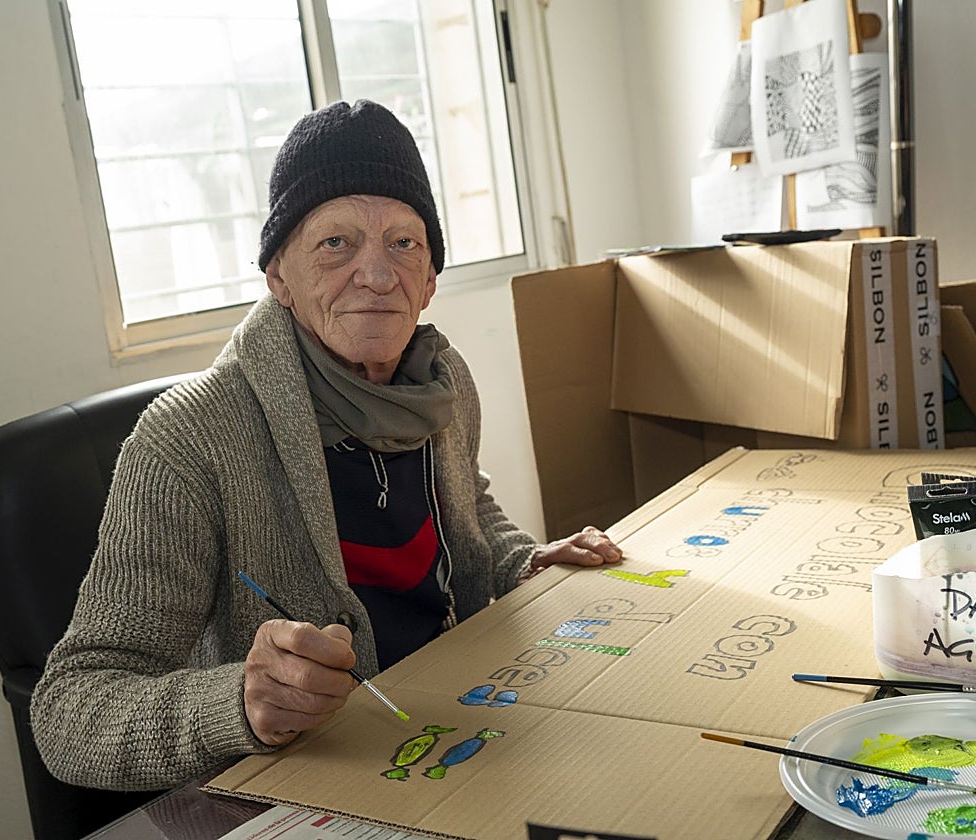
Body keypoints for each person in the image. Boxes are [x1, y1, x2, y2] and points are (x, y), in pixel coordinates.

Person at [30, 99, 623, 792]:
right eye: (335, 244)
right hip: (311, 781)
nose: (376, 275)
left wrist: (522, 561)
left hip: (459, 725)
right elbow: (69, 715)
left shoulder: (442, 380)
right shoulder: (187, 439)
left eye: (404, 243)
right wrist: (239, 703)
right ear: (279, 276)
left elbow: (466, 506)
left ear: (431, 279)